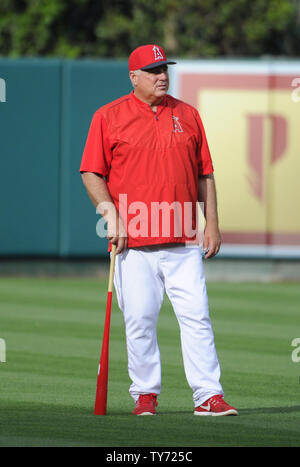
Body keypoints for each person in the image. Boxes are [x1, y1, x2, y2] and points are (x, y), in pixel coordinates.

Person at [80, 44, 238, 416]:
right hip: (133, 240)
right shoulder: (108, 116)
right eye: (153, 71)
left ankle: (208, 396)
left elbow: (205, 173)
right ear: (133, 77)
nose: (162, 75)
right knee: (139, 318)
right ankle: (145, 394)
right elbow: (91, 172)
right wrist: (110, 214)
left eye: (164, 68)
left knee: (197, 315)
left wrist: (211, 222)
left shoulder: (188, 114)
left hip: (183, 238)